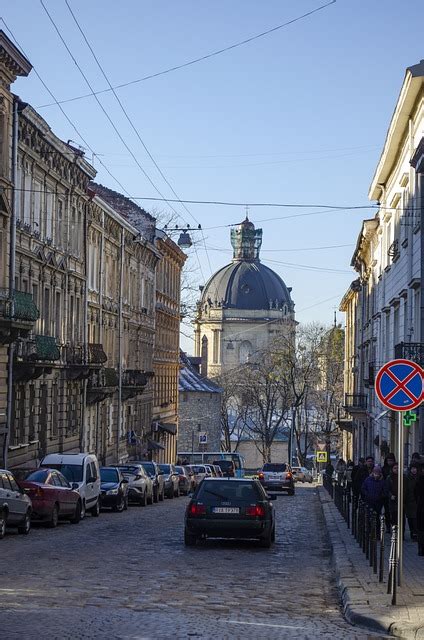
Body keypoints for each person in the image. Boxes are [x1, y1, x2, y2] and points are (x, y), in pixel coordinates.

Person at [382, 453, 397, 531]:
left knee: (395, 512)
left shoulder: (396, 468)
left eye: (391, 460)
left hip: (395, 493)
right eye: (388, 460)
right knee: (387, 511)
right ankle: (388, 526)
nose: (390, 462)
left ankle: (394, 526)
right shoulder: (384, 469)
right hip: (386, 493)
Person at [405, 463, 419, 540]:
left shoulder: (419, 478)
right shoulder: (407, 478)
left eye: (415, 468)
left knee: (416, 519)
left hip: (417, 501)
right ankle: (412, 533)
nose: (414, 470)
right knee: (410, 518)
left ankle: (416, 534)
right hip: (409, 501)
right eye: (412, 468)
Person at [414, 461, 424, 556]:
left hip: (420, 507)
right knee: (421, 529)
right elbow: (416, 494)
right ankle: (421, 548)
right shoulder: (419, 480)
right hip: (421, 508)